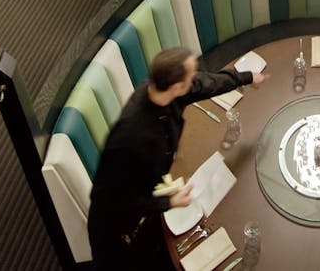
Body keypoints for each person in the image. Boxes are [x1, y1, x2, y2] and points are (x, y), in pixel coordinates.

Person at [87, 47, 267, 268]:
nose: (195, 79)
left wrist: (246, 77)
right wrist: (169, 201)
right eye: (190, 75)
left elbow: (207, 83)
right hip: (115, 225)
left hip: (145, 197)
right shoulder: (131, 137)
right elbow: (118, 200)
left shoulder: (165, 93)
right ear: (175, 86)